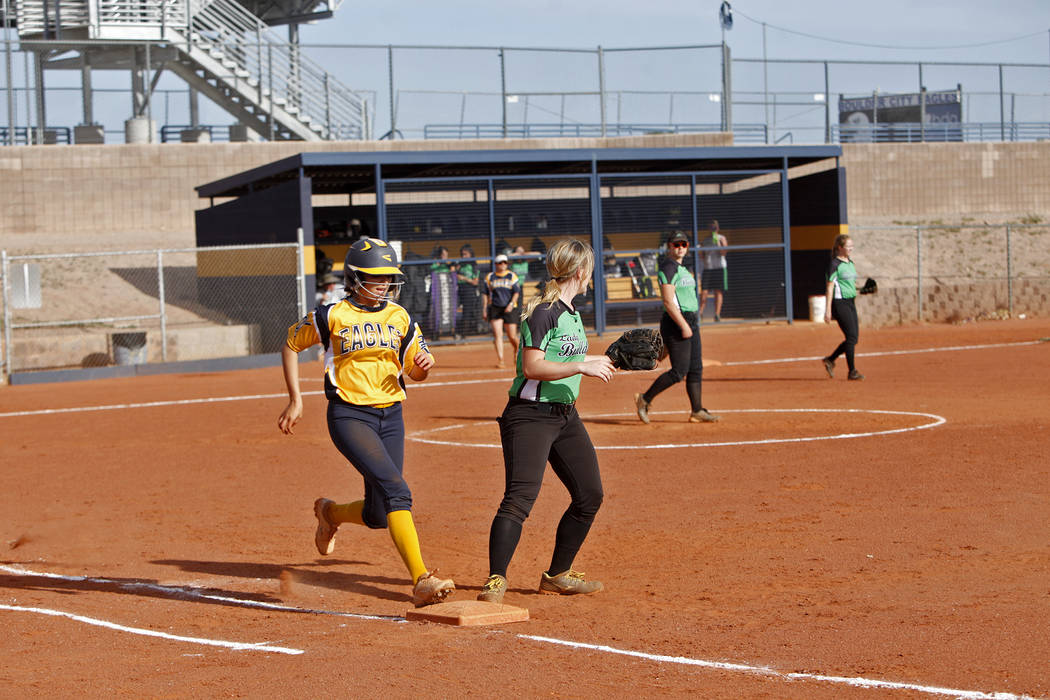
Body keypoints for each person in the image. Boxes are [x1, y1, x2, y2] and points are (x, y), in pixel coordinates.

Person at [278, 237, 455, 608]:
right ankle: (421, 579)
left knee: (378, 514)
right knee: (398, 491)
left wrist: (423, 369)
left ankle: (330, 513)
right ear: (355, 277)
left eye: (389, 278)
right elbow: (291, 344)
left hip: (391, 414)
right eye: (376, 278)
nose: (385, 285)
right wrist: (296, 399)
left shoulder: (400, 317)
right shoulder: (331, 315)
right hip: (349, 414)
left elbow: (414, 370)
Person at [477, 237, 616, 605]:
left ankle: (557, 575)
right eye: (590, 269)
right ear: (581, 270)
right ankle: (496, 580)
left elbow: (568, 358)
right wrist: (581, 365)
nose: (591, 276)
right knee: (520, 499)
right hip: (529, 417)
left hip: (565, 416)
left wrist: (602, 360)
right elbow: (532, 366)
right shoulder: (543, 310)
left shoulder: (571, 313)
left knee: (590, 495)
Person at [635, 231, 720, 424]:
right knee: (679, 371)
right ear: (669, 247)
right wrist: (683, 325)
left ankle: (697, 410)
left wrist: (690, 323)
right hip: (676, 322)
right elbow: (668, 301)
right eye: (676, 244)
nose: (680, 247)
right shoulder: (668, 266)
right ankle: (644, 399)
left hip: (691, 321)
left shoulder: (682, 268)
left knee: (696, 368)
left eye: (684, 244)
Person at [822, 234, 864, 381]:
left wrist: (862, 290)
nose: (851, 249)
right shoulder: (834, 264)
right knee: (851, 337)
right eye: (848, 246)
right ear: (840, 248)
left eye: (852, 246)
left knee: (853, 338)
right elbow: (830, 287)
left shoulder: (850, 262)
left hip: (851, 302)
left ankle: (830, 359)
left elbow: (850, 285)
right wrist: (827, 310)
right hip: (839, 304)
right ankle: (852, 371)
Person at [482, 254, 522, 368]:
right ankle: (501, 360)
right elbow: (485, 294)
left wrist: (511, 304)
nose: (503, 265)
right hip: (495, 307)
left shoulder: (511, 276)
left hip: (510, 308)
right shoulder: (490, 277)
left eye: (505, 262)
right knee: (498, 335)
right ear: (495, 264)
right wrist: (484, 308)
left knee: (512, 336)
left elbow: (516, 292)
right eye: (500, 263)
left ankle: (516, 350)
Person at [699, 219, 728, 322]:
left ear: (718, 228)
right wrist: (700, 251)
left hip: (719, 268)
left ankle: (717, 314)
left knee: (718, 291)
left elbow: (724, 253)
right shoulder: (706, 241)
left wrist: (719, 244)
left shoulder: (722, 238)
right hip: (708, 268)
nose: (713, 230)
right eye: (711, 228)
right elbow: (702, 256)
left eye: (714, 228)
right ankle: (700, 314)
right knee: (704, 292)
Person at [456, 244, 481, 337]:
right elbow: (455, 274)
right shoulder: (460, 264)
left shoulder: (474, 265)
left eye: (465, 254)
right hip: (460, 289)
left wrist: (464, 278)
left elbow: (475, 282)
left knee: (467, 312)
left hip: (469, 290)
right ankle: (456, 332)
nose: (463, 256)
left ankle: (464, 334)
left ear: (470, 254)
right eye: (462, 254)